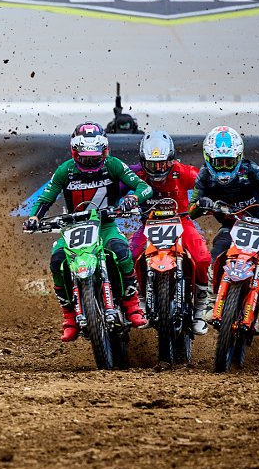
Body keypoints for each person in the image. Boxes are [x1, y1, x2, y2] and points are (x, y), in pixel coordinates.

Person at [23, 122, 152, 341]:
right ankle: (70, 317)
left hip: (105, 225)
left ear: (104, 151)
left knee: (121, 250)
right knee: (57, 260)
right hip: (73, 228)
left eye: (94, 157)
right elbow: (47, 196)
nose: (90, 162)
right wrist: (35, 217)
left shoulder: (114, 165)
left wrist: (133, 198)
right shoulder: (66, 170)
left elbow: (144, 187)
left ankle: (132, 306)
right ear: (75, 152)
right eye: (84, 158)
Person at [190, 126, 259, 336]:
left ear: (239, 158)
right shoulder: (205, 175)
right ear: (208, 158)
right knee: (215, 253)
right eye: (219, 162)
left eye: (229, 162)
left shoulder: (251, 170)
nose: (224, 168)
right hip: (230, 227)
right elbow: (191, 209)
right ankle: (210, 301)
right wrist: (201, 204)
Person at [126, 131, 212, 327]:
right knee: (130, 256)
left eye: (162, 164)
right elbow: (115, 183)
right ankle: (138, 299)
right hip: (148, 223)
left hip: (181, 222)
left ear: (171, 159)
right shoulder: (135, 174)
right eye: (151, 165)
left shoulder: (184, 172)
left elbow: (206, 182)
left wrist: (207, 200)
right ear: (142, 161)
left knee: (202, 258)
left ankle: (201, 307)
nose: (157, 169)